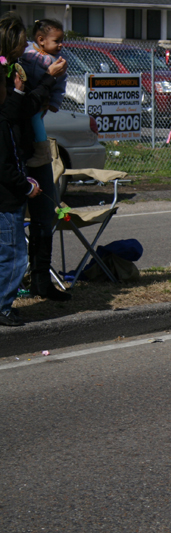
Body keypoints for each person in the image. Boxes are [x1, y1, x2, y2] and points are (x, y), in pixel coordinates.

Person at [3, 13, 69, 301]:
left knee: (45, 215)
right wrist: (47, 79)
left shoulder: (22, 64)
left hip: (37, 145)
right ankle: (11, 289)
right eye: (21, 43)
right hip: (16, 151)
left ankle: (41, 279)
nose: (24, 48)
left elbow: (36, 103)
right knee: (13, 224)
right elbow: (21, 108)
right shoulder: (12, 70)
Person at [0, 28, 42, 327]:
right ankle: (3, 305)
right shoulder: (2, 124)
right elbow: (4, 167)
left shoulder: (4, 122)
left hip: (10, 195)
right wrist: (25, 186)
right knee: (13, 255)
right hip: (7, 200)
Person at [18, 19, 67, 168]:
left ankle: (42, 152)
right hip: (25, 95)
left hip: (41, 98)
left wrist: (54, 102)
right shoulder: (26, 50)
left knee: (36, 119)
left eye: (61, 41)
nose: (61, 45)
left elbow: (60, 84)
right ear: (41, 40)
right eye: (56, 41)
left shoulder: (57, 62)